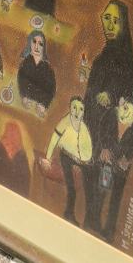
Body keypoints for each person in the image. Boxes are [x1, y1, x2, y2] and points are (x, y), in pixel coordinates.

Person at [83, 0, 133, 231]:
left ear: (123, 25)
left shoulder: (128, 63)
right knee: (90, 186)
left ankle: (97, 229)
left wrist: (111, 97)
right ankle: (91, 225)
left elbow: (129, 106)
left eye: (116, 20)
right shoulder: (101, 58)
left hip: (110, 140)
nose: (110, 25)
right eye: (107, 18)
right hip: (91, 132)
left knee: (103, 188)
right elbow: (90, 94)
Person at [40, 96, 94, 226]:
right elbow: (54, 138)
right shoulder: (65, 122)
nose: (77, 111)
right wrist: (48, 158)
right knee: (72, 187)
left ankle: (90, 218)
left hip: (81, 160)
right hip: (66, 156)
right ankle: (68, 214)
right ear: (70, 108)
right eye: (74, 107)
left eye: (80, 109)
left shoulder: (84, 127)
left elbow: (88, 147)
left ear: (83, 112)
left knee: (90, 184)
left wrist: (86, 160)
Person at [97, 97, 133, 242]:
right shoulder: (111, 115)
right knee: (103, 190)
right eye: (125, 108)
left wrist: (127, 158)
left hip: (121, 169)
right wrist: (104, 147)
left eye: (131, 114)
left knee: (115, 198)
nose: (126, 114)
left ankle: (109, 231)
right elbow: (102, 129)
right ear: (122, 104)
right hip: (108, 162)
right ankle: (95, 222)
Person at [17, 31, 56, 117]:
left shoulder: (47, 68)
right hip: (26, 107)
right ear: (30, 43)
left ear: (43, 47)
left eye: (40, 44)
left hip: (40, 108)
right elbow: (21, 82)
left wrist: (44, 105)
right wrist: (23, 97)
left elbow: (51, 90)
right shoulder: (25, 63)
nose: (36, 46)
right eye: (34, 42)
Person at [0, 121, 31, 197]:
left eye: (14, 134)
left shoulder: (21, 156)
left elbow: (25, 183)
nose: (11, 136)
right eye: (9, 133)